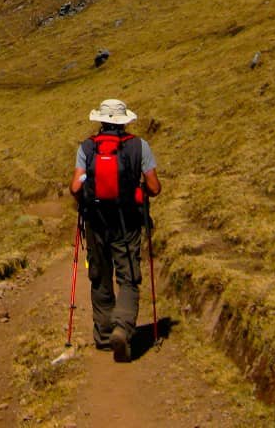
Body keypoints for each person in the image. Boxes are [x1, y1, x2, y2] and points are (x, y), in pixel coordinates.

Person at [70, 98, 161, 362]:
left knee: (99, 276)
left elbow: (75, 187)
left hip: (96, 222)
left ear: (100, 120)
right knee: (129, 277)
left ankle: (104, 334)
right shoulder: (138, 146)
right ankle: (122, 327)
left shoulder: (87, 147)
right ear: (123, 122)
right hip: (128, 223)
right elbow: (154, 188)